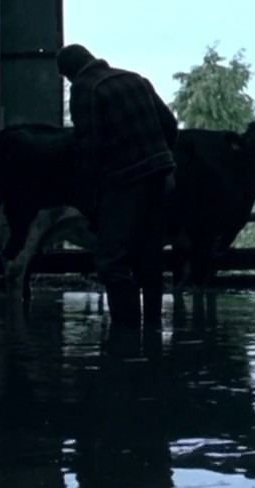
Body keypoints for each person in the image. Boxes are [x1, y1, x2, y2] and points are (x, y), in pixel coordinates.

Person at [57, 44, 178, 330]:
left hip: (123, 181)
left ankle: (125, 332)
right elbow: (169, 124)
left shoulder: (86, 89)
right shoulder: (135, 78)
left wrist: (87, 198)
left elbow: (88, 148)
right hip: (160, 177)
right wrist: (162, 159)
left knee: (112, 260)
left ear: (70, 72)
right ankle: (153, 329)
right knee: (150, 255)